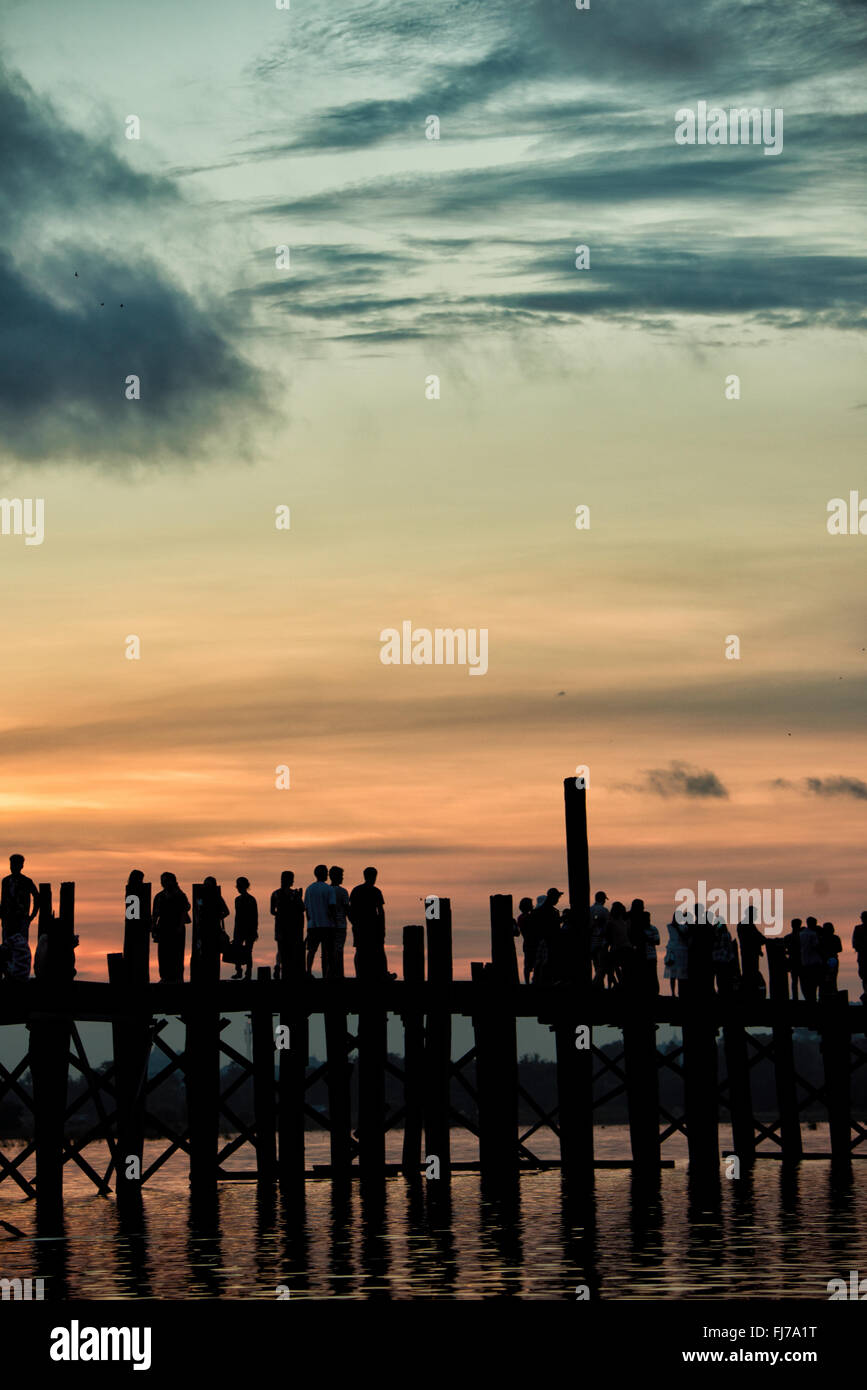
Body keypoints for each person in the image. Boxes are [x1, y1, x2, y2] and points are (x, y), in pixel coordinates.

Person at [349, 866, 392, 980]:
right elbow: (381, 912)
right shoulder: (376, 891)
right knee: (379, 951)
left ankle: (360, 974)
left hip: (360, 926)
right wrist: (382, 928)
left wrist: (354, 922)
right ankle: (382, 974)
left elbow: (350, 910)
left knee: (360, 950)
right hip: (374, 926)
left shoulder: (356, 890)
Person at [0, 855, 39, 981]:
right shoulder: (5, 881)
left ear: (21, 865)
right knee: (6, 949)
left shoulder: (26, 882)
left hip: (21, 922)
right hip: (7, 921)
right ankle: (7, 975)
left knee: (20, 949)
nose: (13, 867)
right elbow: (3, 901)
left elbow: (37, 898)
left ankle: (19, 977)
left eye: (16, 864)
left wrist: (31, 917)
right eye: (12, 864)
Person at [151, 871, 191, 983]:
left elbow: (185, 910)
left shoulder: (180, 896)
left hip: (177, 928)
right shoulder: (159, 896)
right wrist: (153, 927)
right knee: (163, 954)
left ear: (173, 882)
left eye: (167, 881)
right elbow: (155, 914)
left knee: (177, 954)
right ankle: (164, 977)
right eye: (163, 881)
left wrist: (179, 926)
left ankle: (177, 978)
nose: (164, 883)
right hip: (163, 928)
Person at [194, 876, 230, 982]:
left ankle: (209, 976)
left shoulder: (204, 897)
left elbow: (198, 911)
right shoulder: (216, 897)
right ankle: (210, 976)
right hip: (210, 928)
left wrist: (213, 918)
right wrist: (217, 918)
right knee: (209, 953)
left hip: (210, 929)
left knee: (208, 953)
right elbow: (226, 912)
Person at [271, 871, 304, 980]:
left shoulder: (275, 893)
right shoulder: (294, 894)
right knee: (291, 949)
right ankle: (289, 971)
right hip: (292, 926)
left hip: (280, 924)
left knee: (281, 948)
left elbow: (272, 911)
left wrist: (280, 914)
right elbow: (302, 908)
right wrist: (299, 897)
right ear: (290, 880)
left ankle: (278, 965)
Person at [305, 864, 336, 976]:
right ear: (324, 874)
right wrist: (334, 922)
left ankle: (308, 971)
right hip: (327, 925)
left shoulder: (309, 889)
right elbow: (331, 907)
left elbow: (307, 909)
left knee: (312, 950)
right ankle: (328, 972)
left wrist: (309, 922)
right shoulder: (329, 889)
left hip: (313, 925)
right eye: (326, 872)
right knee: (328, 951)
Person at [532, 889, 563, 984]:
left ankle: (539, 980)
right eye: (557, 897)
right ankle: (543, 981)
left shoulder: (541, 910)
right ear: (553, 897)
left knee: (541, 962)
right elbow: (550, 926)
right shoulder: (549, 910)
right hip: (547, 940)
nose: (558, 900)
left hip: (544, 939)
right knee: (545, 962)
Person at [231, 877, 258, 980]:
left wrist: (255, 930)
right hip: (241, 929)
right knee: (241, 951)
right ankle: (241, 972)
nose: (238, 888)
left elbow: (254, 916)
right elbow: (237, 917)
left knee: (246, 951)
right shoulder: (238, 900)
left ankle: (246, 973)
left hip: (248, 930)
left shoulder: (250, 900)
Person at [737, 909, 765, 998]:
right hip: (750, 954)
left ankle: (748, 992)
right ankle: (750, 993)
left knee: (748, 973)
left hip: (746, 953)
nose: (756, 916)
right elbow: (758, 937)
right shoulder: (748, 925)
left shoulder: (742, 925)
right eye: (755, 914)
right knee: (751, 973)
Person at [606, 901, 631, 988]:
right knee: (622, 968)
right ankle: (621, 984)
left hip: (616, 948)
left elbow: (608, 937)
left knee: (611, 968)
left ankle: (616, 985)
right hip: (625, 947)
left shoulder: (611, 922)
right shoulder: (626, 922)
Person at [663, 912, 689, 996]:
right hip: (677, 952)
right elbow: (684, 937)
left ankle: (676, 992)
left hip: (676, 951)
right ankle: (674, 993)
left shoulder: (671, 926)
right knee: (675, 974)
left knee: (676, 974)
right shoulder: (677, 927)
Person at [711, 916, 738, 995]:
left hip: (722, 960)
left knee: (722, 979)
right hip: (722, 960)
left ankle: (723, 992)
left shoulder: (723, 934)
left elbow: (722, 947)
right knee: (722, 979)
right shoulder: (722, 934)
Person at [589, 892, 610, 990]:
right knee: (603, 966)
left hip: (590, 942)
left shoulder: (589, 909)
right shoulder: (604, 910)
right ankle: (596, 984)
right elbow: (607, 927)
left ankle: (599, 986)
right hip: (601, 942)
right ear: (603, 899)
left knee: (596, 964)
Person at [798, 918, 822, 1003]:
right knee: (817, 982)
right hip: (814, 962)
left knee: (808, 984)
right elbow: (816, 946)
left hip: (804, 962)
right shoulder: (813, 934)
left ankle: (810, 999)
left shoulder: (801, 934)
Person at [516, 897, 538, 984]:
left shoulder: (521, 917)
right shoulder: (527, 917)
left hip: (527, 942)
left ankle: (528, 982)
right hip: (531, 943)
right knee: (533, 963)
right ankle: (532, 981)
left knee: (527, 964)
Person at [819, 921, 843, 1001]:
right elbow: (839, 949)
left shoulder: (821, 938)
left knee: (824, 978)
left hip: (824, 960)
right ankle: (833, 994)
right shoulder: (836, 937)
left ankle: (825, 996)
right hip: (833, 959)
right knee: (833, 978)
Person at [642, 910, 660, 995]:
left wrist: (646, 938)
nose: (648, 920)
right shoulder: (639, 929)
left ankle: (655, 992)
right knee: (646, 976)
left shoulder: (653, 928)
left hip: (652, 956)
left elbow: (657, 942)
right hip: (643, 956)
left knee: (653, 975)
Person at [853, 911, 867, 1003]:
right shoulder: (858, 928)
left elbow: (855, 944)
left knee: (864, 977)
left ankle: (866, 993)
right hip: (862, 957)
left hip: (862, 956)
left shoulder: (858, 928)